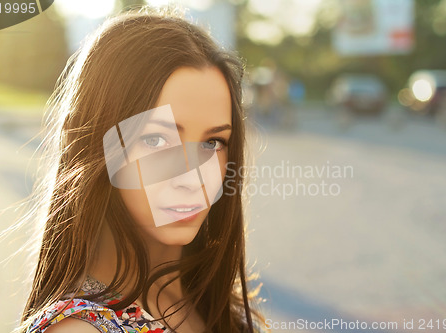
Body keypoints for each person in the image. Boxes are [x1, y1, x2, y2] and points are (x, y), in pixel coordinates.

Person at [18, 7, 266, 333]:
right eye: (156, 139)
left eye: (213, 143)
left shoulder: (217, 302)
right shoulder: (80, 329)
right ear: (88, 144)